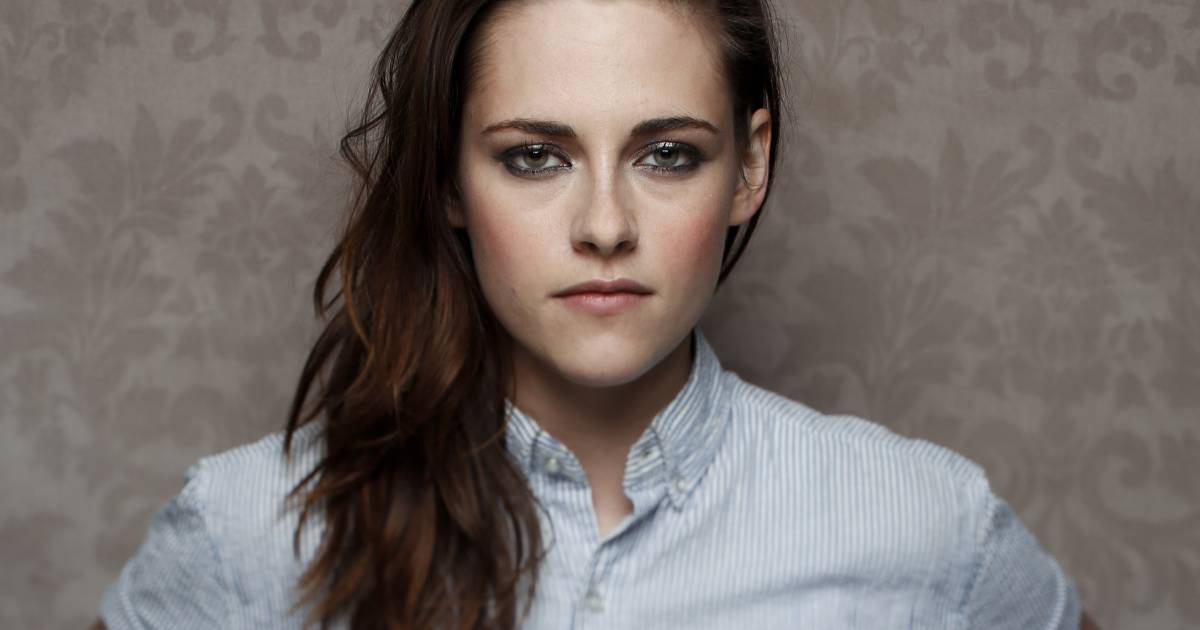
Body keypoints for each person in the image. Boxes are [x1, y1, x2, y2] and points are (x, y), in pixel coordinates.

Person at [93, 0, 1101, 628]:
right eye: (535, 156)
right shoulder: (247, 531)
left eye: (668, 154)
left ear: (749, 166)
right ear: (447, 175)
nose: (606, 226)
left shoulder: (922, 525)